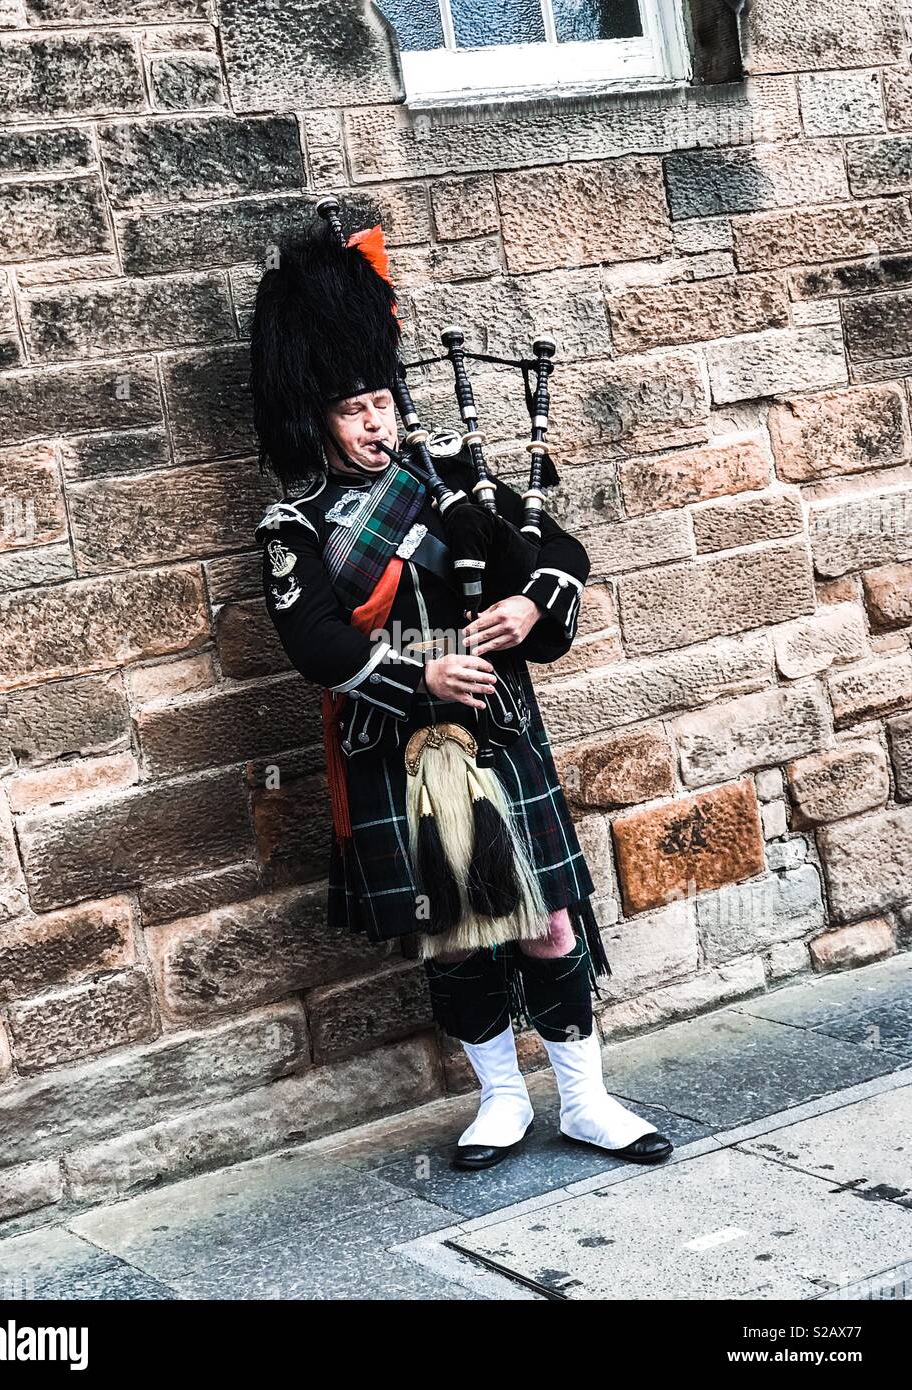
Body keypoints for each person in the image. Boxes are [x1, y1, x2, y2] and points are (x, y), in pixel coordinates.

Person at [250, 207, 672, 1171]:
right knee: (454, 932)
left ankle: (586, 1102)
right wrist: (417, 672)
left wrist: (531, 608)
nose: (375, 424)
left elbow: (552, 550)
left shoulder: (451, 476)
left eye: (382, 405)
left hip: (496, 727)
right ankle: (497, 1102)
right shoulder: (296, 524)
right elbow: (311, 640)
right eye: (353, 411)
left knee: (550, 919)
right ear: (315, 416)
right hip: (397, 743)